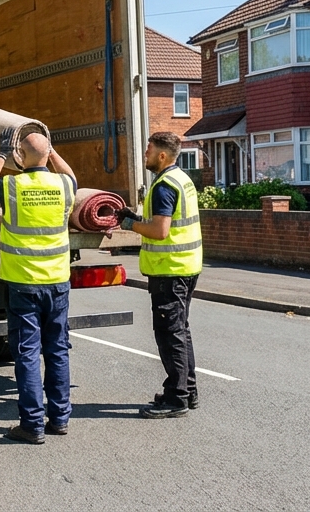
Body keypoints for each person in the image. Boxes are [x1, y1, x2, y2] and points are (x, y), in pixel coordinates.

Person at [0, 127, 77, 445]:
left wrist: (2, 154)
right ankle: (60, 419)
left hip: (23, 282)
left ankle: (32, 425)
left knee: (27, 354)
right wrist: (51, 151)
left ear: (20, 157)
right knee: (57, 351)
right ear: (48, 155)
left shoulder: (10, 186)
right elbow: (70, 173)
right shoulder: (64, 184)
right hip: (57, 281)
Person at [116, 132, 202, 419]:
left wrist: (130, 225)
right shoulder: (182, 178)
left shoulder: (165, 186)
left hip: (170, 270)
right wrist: (137, 218)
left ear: (162, 155)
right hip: (185, 266)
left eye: (149, 150)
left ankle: (176, 398)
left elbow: (160, 231)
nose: (145, 154)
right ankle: (187, 391)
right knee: (180, 331)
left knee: (170, 335)